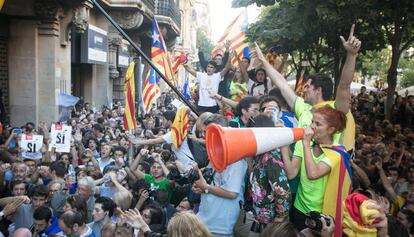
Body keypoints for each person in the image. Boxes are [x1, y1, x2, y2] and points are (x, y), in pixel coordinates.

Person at [281, 107, 350, 235]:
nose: (312, 126)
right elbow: (291, 174)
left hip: (319, 215)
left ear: (331, 130)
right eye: (312, 121)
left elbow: (313, 174)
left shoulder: (338, 153)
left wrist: (306, 143)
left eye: (318, 124)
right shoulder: (303, 144)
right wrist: (284, 145)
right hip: (298, 208)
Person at [193, 114, 247, 237]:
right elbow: (211, 183)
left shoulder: (235, 160)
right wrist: (200, 188)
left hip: (221, 226)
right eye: (203, 132)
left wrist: (205, 187)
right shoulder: (215, 154)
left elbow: (232, 193)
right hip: (205, 221)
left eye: (207, 132)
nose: (203, 137)